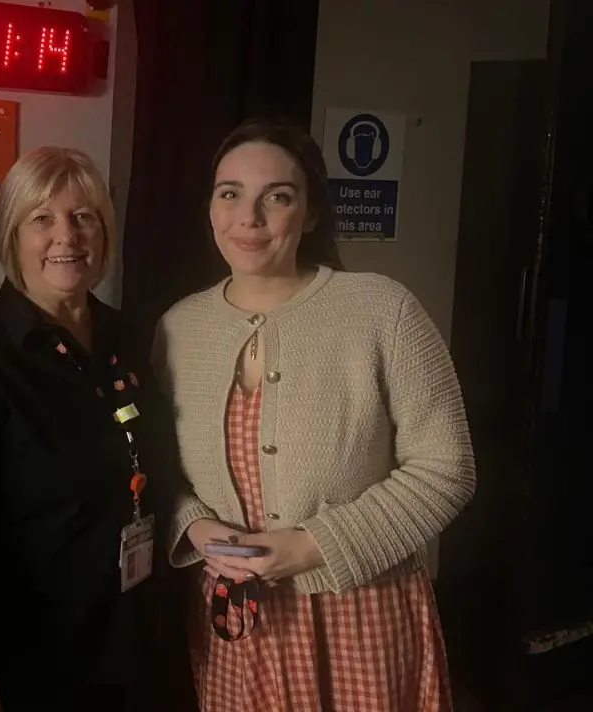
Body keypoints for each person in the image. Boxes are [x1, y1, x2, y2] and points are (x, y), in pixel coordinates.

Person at [151, 117, 475, 711]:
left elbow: (446, 467)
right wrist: (195, 526)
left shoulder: (382, 311)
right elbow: (160, 470)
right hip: (235, 622)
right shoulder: (177, 328)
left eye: (277, 196)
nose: (249, 217)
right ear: (211, 209)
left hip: (361, 611)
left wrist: (314, 545)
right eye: (230, 194)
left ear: (312, 214)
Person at [0, 147, 175, 712]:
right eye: (43, 220)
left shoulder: (126, 336)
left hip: (133, 639)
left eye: (83, 217)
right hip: (35, 662)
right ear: (12, 235)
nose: (67, 236)